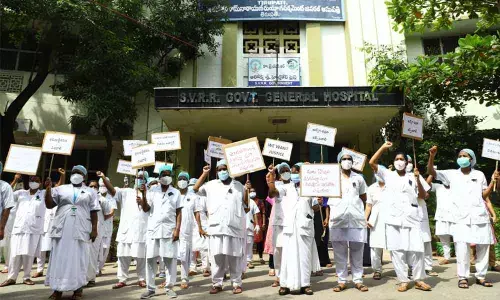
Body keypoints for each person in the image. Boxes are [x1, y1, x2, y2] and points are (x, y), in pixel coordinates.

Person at [427, 146, 499, 288]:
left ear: (471, 160)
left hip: (479, 216)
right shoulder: (451, 174)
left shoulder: (479, 175)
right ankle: (463, 277)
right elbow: (431, 172)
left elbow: (484, 195)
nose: (462, 158)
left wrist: (492, 181)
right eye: (460, 155)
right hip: (460, 218)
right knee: (462, 248)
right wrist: (432, 156)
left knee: (483, 246)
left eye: (465, 156)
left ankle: (481, 276)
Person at [369, 142, 432, 292]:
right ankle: (403, 280)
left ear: (406, 162)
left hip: (412, 217)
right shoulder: (388, 175)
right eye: (396, 159)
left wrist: (417, 179)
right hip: (393, 219)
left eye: (402, 159)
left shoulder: (414, 175)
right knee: (397, 251)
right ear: (393, 162)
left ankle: (418, 279)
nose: (399, 162)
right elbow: (372, 162)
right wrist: (383, 148)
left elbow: (424, 196)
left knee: (417, 249)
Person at [192, 159, 249, 295]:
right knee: (217, 258)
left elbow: (246, 207)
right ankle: (217, 283)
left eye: (225, 169)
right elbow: (195, 189)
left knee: (234, 258)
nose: (223, 171)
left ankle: (236, 283)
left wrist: (247, 190)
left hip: (233, 227)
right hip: (216, 227)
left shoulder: (239, 185)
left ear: (230, 170)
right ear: (216, 172)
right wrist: (204, 174)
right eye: (220, 169)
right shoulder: (211, 185)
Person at [44, 165, 100, 300]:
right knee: (59, 258)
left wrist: (94, 229)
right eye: (74, 172)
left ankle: (78, 289)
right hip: (62, 229)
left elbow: (94, 211)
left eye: (79, 173)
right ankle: (57, 289)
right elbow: (49, 205)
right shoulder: (61, 189)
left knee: (78, 258)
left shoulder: (90, 192)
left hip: (80, 229)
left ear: (84, 176)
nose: (76, 174)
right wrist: (48, 189)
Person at [267, 162, 320, 296]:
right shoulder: (286, 187)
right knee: (287, 257)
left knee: (305, 257)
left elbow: (315, 207)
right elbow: (273, 193)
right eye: (294, 171)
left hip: (305, 227)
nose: (296, 174)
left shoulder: (310, 188)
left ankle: (305, 284)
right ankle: (284, 285)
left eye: (299, 172)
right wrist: (272, 179)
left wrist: (319, 203)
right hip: (290, 227)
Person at [139, 164, 182, 299]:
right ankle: (150, 289)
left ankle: (169, 288)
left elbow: (179, 212)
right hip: (153, 230)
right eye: (163, 174)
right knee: (150, 259)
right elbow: (146, 209)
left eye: (168, 174)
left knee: (170, 259)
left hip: (169, 230)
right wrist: (143, 195)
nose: (166, 177)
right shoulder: (152, 191)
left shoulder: (176, 192)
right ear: (159, 176)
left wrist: (177, 229)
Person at [329, 151, 369, 292]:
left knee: (357, 251)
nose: (347, 161)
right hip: (338, 219)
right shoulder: (332, 178)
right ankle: (342, 280)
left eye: (349, 159)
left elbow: (365, 198)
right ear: (339, 161)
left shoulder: (359, 178)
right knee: (339, 252)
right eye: (344, 159)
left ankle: (358, 280)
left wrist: (365, 216)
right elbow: (324, 195)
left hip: (356, 220)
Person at [102, 171, 149, 289]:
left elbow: (148, 208)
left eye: (143, 178)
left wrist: (143, 197)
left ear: (146, 180)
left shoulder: (151, 194)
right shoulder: (126, 192)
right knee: (123, 256)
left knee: (141, 257)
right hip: (126, 230)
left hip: (141, 231)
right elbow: (112, 191)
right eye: (138, 177)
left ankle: (142, 279)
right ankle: (122, 279)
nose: (140, 179)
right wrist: (103, 178)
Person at [0, 175, 45, 286]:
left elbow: (52, 197)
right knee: (14, 254)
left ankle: (26, 277)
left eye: (36, 180)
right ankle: (11, 278)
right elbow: (6, 193)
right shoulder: (21, 193)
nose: (33, 182)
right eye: (32, 180)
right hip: (18, 227)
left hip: (33, 228)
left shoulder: (43, 194)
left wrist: (49, 186)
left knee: (28, 254)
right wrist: (15, 180)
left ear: (40, 182)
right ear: (28, 182)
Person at [34, 168, 65, 278]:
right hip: (43, 223)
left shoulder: (57, 193)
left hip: (54, 225)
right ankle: (39, 269)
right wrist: (48, 186)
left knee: (54, 249)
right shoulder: (43, 193)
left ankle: (52, 270)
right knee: (41, 249)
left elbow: (59, 186)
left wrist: (62, 176)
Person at [365, 168, 388, 280]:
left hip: (391, 218)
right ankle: (377, 270)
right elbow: (368, 205)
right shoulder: (371, 188)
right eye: (377, 173)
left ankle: (403, 269)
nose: (379, 175)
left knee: (396, 245)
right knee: (375, 246)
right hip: (376, 219)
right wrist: (365, 219)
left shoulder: (392, 186)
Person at [427, 172, 454, 265]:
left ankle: (462, 257)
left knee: (458, 238)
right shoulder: (438, 186)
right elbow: (426, 185)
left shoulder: (457, 187)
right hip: (441, 216)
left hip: (455, 217)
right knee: (443, 238)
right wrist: (432, 173)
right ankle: (447, 257)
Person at [176, 171, 196, 289]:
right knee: (171, 256)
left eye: (184, 178)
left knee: (184, 256)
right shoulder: (173, 194)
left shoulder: (192, 196)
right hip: (173, 229)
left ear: (188, 182)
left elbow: (196, 212)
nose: (182, 181)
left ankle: (184, 278)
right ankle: (170, 279)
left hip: (186, 230)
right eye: (180, 178)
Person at [96, 176, 117, 275]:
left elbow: (112, 211)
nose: (103, 187)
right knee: (97, 248)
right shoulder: (96, 195)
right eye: (101, 185)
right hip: (98, 225)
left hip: (107, 225)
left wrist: (103, 217)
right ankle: (95, 268)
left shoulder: (112, 196)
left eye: (105, 185)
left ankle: (100, 267)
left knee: (105, 248)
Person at [191, 178, 210, 277]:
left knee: (204, 248)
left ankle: (206, 268)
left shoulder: (203, 198)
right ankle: (192, 268)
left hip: (203, 224)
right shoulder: (187, 197)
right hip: (191, 225)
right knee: (192, 248)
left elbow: (208, 212)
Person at [0, 169, 16, 274]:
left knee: (6, 244)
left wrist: (1, 227)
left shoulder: (5, 186)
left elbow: (7, 207)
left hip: (2, 221)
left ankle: (8, 265)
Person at [244, 187, 260, 271]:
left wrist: (257, 224)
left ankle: (248, 261)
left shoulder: (252, 202)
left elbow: (255, 213)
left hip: (249, 226)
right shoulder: (239, 200)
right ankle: (241, 262)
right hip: (239, 227)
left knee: (249, 245)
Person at [252, 188, 267, 265]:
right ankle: (249, 259)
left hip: (259, 222)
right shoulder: (246, 201)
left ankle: (260, 257)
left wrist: (264, 223)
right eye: (250, 191)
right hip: (250, 222)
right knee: (249, 241)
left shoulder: (260, 201)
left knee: (259, 241)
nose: (252, 193)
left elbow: (263, 213)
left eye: (253, 191)